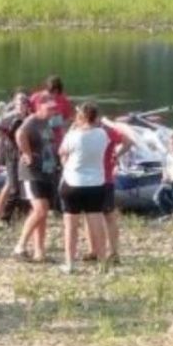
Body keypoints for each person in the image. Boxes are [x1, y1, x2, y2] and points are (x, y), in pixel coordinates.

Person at [57, 103, 109, 274]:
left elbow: (61, 151)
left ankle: (70, 263)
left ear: (82, 117)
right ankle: (102, 262)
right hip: (95, 183)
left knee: (71, 225)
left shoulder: (73, 135)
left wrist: (73, 129)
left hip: (73, 182)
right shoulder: (102, 134)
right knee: (96, 223)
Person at [14, 95, 59, 261]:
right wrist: (26, 153)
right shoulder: (32, 120)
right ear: (39, 107)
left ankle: (39, 251)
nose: (52, 111)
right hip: (31, 171)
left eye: (53, 108)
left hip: (46, 170)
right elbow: (20, 134)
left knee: (42, 211)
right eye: (49, 108)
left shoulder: (48, 122)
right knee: (40, 208)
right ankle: (20, 245)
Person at [93, 120, 132, 263]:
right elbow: (128, 142)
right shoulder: (106, 131)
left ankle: (107, 251)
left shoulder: (102, 131)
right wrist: (116, 155)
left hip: (98, 178)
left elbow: (128, 142)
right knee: (104, 215)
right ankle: (107, 251)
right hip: (102, 178)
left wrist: (116, 155)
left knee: (100, 215)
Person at [0, 90, 30, 225]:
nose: (22, 104)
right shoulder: (10, 117)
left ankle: (16, 215)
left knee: (14, 184)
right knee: (12, 186)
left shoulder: (29, 117)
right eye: (20, 101)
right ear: (14, 103)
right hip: (11, 153)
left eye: (25, 101)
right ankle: (2, 216)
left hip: (23, 154)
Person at [31, 75, 73, 145]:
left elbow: (67, 118)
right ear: (46, 89)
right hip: (38, 130)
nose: (54, 95)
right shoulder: (36, 97)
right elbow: (29, 113)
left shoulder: (63, 99)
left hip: (57, 133)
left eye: (57, 92)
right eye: (51, 92)